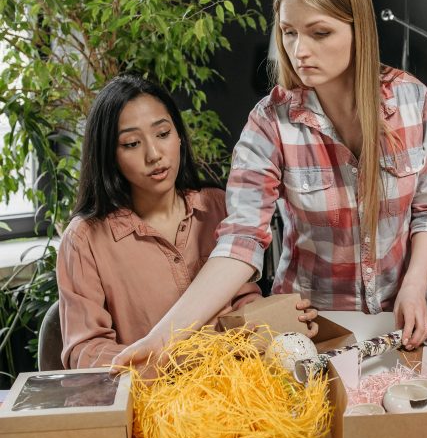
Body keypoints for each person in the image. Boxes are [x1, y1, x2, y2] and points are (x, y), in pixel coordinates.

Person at [118, 0, 427, 366]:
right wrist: (164, 336)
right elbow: (240, 242)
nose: (299, 51)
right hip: (308, 329)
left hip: (396, 322)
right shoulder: (270, 122)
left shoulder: (412, 101)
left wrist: (413, 285)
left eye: (319, 33)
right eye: (289, 33)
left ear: (359, 30)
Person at [57, 76, 313, 368]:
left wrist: (283, 322)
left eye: (163, 134)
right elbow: (86, 352)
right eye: (131, 143)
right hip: (153, 402)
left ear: (179, 135)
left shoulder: (217, 205)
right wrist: (170, 363)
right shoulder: (84, 240)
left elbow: (244, 304)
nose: (154, 155)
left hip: (236, 388)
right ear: (108, 155)